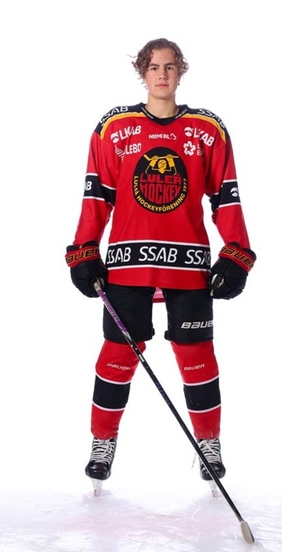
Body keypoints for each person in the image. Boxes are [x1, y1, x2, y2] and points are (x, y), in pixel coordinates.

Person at [65, 38, 256, 488]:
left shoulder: (208, 129)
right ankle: (102, 441)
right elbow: (97, 196)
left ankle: (208, 442)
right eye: (154, 67)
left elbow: (226, 196)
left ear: (181, 71)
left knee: (197, 356)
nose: (162, 75)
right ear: (142, 72)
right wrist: (85, 249)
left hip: (188, 265)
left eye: (170, 66)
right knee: (117, 354)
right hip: (128, 264)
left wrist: (236, 253)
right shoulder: (114, 127)